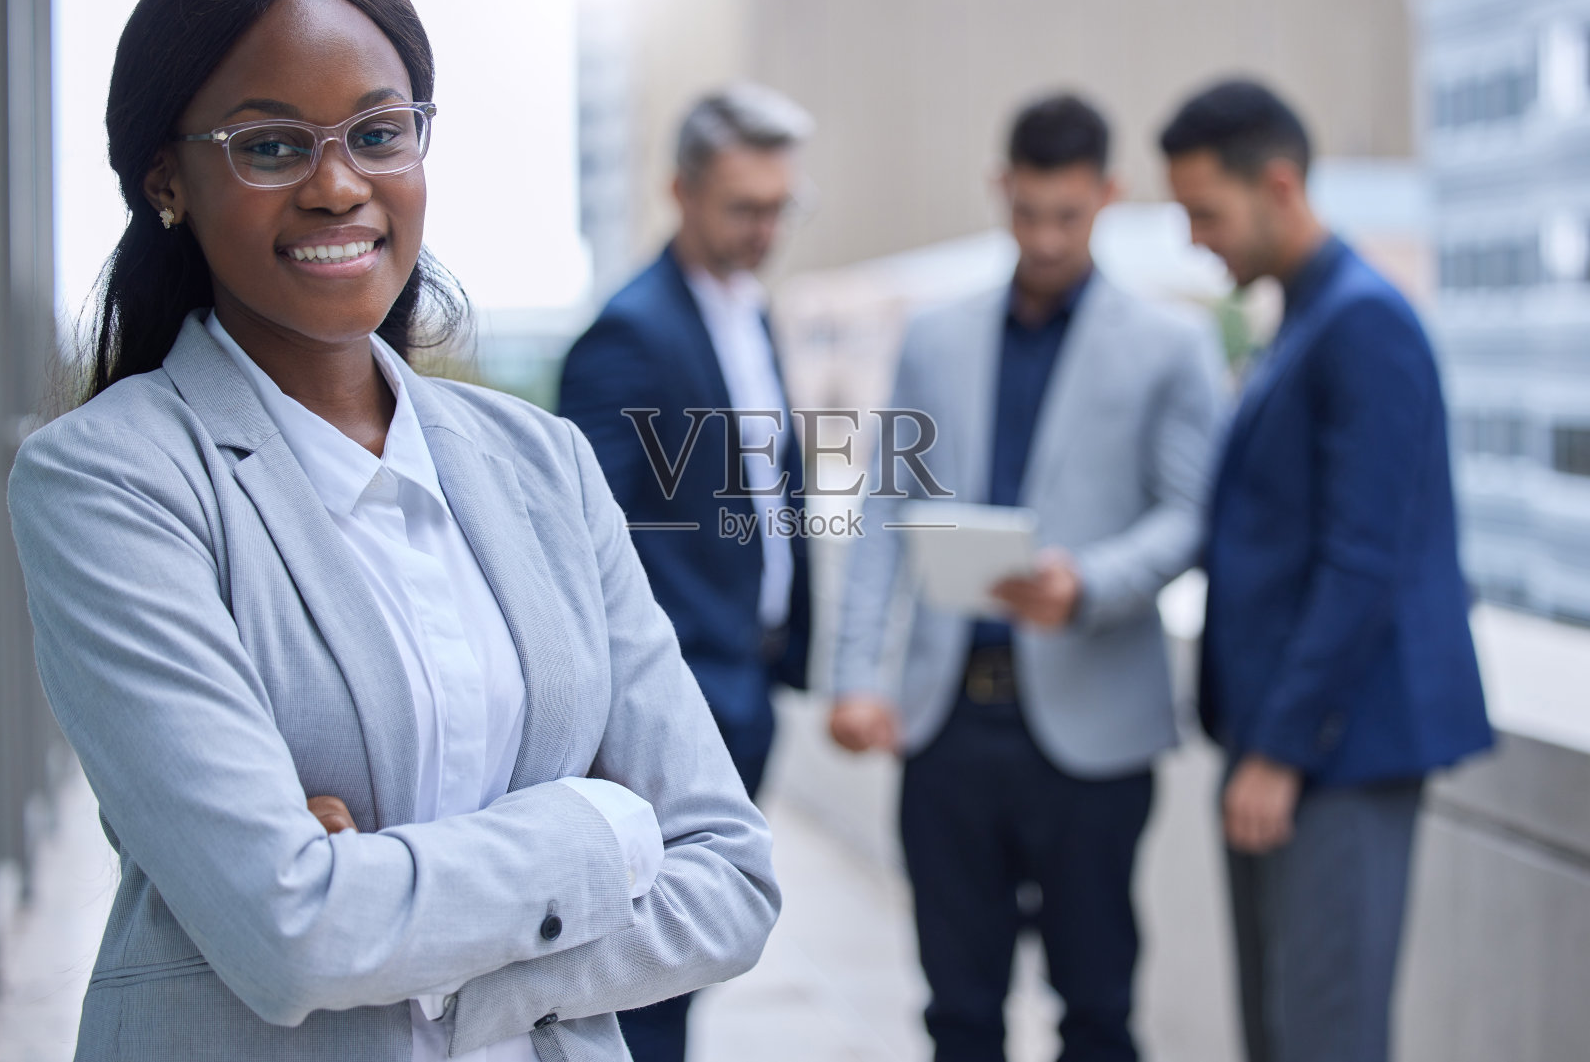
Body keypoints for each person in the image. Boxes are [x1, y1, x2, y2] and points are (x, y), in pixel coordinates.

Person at [8, 0, 777, 1062]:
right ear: (167, 174)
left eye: (378, 133)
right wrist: (598, 825)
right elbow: (291, 931)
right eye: (270, 145)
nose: (337, 186)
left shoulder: (543, 464)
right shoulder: (111, 482)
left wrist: (406, 927)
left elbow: (727, 877)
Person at [828, 94, 1227, 1062]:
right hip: (947, 722)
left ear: (1107, 196)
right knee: (957, 1014)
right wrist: (852, 675)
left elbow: (1190, 514)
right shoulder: (933, 337)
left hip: (1092, 731)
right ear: (1001, 190)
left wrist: (1087, 582)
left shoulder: (1171, 344)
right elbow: (885, 510)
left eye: (1069, 215)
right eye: (1027, 212)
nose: (1045, 239)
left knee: (1096, 1010)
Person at [1158, 79, 1493, 1062]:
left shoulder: (1361, 322)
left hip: (1337, 750)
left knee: (1322, 1033)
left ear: (1278, 185)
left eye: (1203, 212)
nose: (1192, 238)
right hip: (1291, 744)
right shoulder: (1302, 317)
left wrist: (1282, 748)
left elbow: (1362, 559)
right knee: (1282, 1029)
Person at [558, 84, 814, 1062]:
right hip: (675, 699)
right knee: (647, 984)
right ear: (680, 191)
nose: (765, 229)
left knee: (694, 964)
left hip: (747, 681)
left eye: (779, 206)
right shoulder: (633, 332)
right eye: (744, 207)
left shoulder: (746, 312)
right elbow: (579, 545)